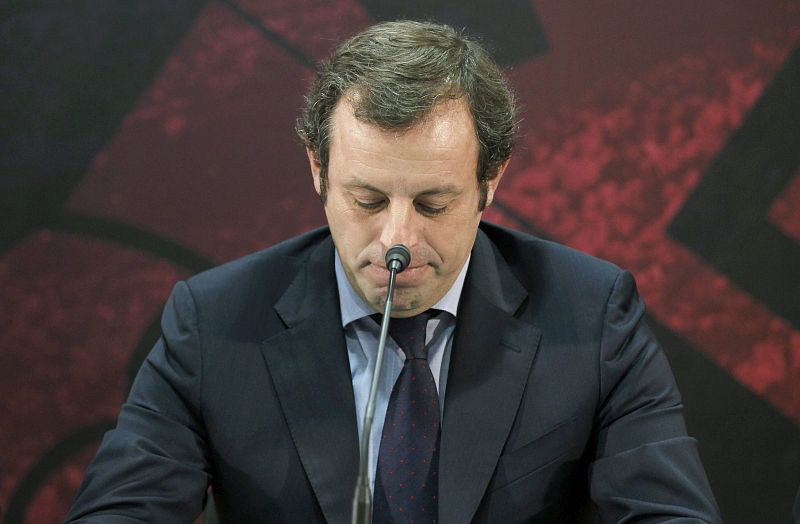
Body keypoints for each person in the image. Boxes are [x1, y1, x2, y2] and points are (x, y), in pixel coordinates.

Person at [65, 20, 721, 523]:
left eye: (433, 204)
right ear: (318, 171)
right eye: (367, 200)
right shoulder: (212, 323)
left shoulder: (592, 315)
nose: (396, 240)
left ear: (491, 181)